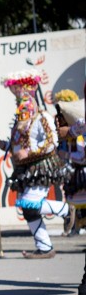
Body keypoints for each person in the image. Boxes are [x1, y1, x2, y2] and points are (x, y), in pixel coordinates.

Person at [0, 69, 72, 259]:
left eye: (25, 103)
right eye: (19, 103)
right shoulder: (19, 125)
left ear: (33, 101)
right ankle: (44, 247)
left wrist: (29, 152)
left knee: (29, 203)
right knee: (28, 209)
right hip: (25, 169)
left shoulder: (42, 118)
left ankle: (67, 209)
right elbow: (14, 148)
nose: (22, 107)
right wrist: (0, 143)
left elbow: (51, 142)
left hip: (42, 166)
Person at [53, 89, 85, 236]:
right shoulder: (73, 131)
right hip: (71, 171)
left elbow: (83, 157)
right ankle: (74, 227)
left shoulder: (79, 136)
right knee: (72, 199)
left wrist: (65, 154)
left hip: (81, 172)